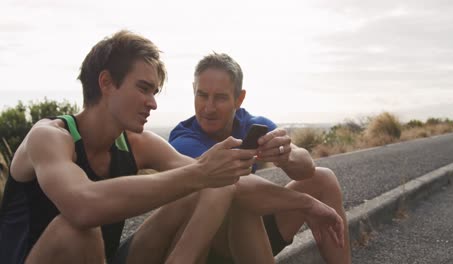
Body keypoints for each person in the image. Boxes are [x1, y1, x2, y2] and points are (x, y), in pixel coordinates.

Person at [0, 30, 272, 264]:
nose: (153, 103)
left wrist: (308, 203)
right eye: (143, 89)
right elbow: (82, 205)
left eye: (154, 92)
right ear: (106, 82)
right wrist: (199, 174)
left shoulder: (137, 143)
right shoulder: (49, 137)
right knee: (76, 229)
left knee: (198, 189)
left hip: (103, 258)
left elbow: (223, 180)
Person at [169, 52, 352, 263]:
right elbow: (235, 185)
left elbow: (307, 168)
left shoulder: (252, 125)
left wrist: (286, 155)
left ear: (239, 98)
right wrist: (307, 204)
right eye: (202, 95)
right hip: (206, 247)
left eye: (220, 97)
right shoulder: (183, 139)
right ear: (193, 91)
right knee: (241, 201)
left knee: (323, 178)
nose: (208, 108)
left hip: (250, 236)